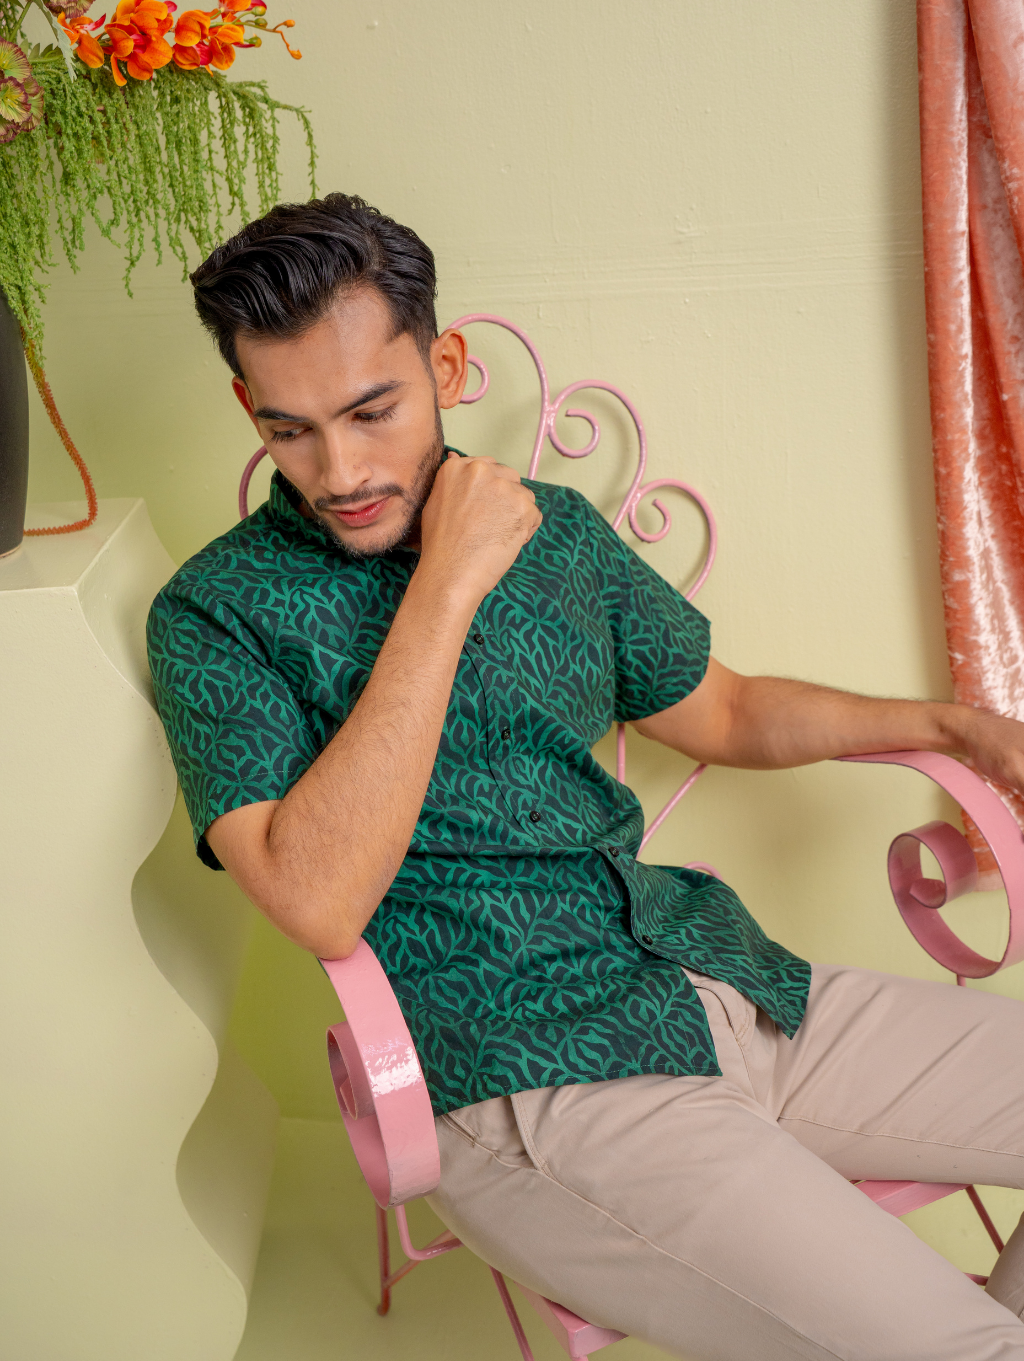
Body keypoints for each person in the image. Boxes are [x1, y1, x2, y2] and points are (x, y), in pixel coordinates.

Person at [148, 192, 1024, 1361]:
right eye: (289, 428)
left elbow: (723, 707)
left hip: (722, 978)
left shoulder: (556, 532)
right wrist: (446, 579)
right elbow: (317, 901)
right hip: (529, 1076)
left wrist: (951, 724)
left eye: (372, 410)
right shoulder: (215, 613)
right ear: (248, 410)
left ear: (445, 367)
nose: (340, 468)